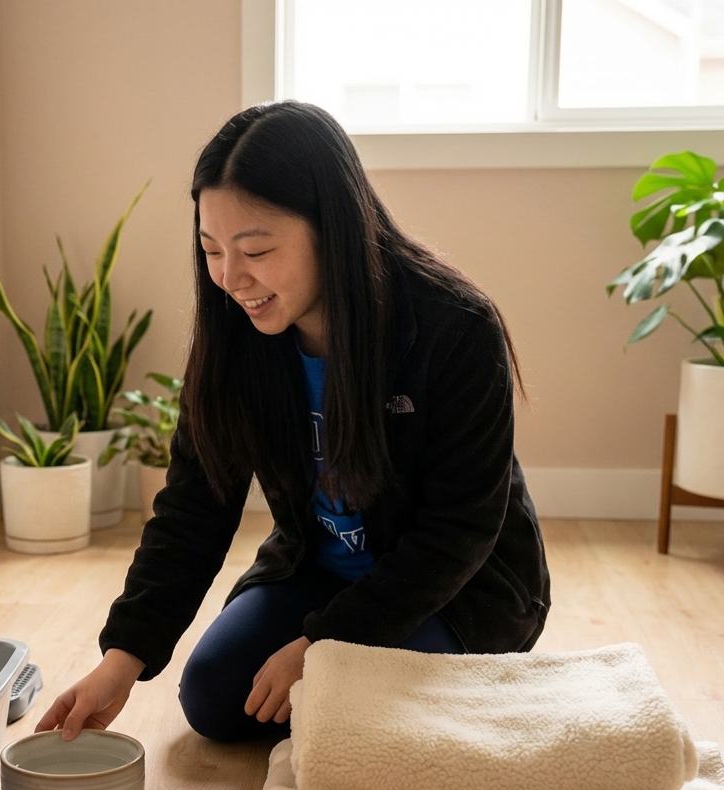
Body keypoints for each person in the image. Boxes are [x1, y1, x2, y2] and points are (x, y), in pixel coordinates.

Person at [38, 101, 551, 743]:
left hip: (456, 589)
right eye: (211, 249)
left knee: (350, 711)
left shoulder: (455, 328)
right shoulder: (236, 336)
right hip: (317, 570)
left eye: (254, 249)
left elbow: (459, 531)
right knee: (215, 697)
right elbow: (194, 509)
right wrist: (122, 659)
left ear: (331, 229)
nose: (229, 277)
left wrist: (323, 644)